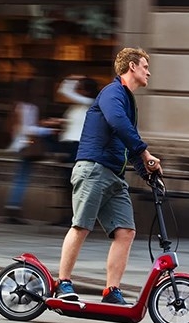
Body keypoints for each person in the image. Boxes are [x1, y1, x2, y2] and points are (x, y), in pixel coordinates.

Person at [54, 47, 161, 305]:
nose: (149, 71)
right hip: (93, 168)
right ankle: (63, 283)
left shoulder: (127, 100)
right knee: (81, 226)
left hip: (113, 174)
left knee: (126, 232)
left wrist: (145, 170)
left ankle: (111, 291)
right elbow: (117, 123)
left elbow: (125, 139)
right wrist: (145, 153)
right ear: (132, 66)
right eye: (145, 66)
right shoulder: (113, 93)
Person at [4, 79, 60, 224]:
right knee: (22, 178)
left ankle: (12, 208)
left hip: (19, 145)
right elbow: (27, 129)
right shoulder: (30, 108)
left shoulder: (17, 106)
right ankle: (14, 209)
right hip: (27, 146)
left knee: (20, 177)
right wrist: (47, 130)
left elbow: (18, 128)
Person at [52, 75, 100, 227]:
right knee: (67, 183)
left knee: (77, 183)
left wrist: (71, 79)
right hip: (68, 146)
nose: (77, 91)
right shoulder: (76, 107)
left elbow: (65, 91)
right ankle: (69, 215)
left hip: (78, 147)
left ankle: (79, 216)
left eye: (80, 88)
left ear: (87, 91)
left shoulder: (90, 103)